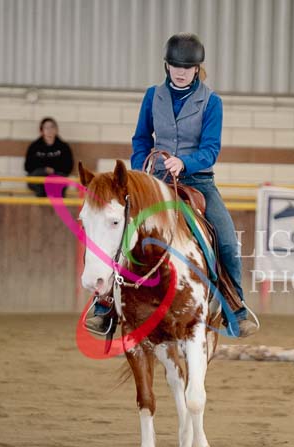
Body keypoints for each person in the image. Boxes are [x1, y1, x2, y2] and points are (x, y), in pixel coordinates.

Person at [124, 33, 256, 338]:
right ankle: (105, 303)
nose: (181, 72)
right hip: (156, 179)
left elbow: (211, 149)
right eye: (175, 66)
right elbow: (141, 139)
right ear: (167, 65)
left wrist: (185, 163)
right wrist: (142, 168)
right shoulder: (152, 96)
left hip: (198, 181)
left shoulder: (212, 102)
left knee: (227, 242)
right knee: (120, 228)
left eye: (187, 67)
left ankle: (235, 308)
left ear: (197, 68)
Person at [24, 117, 74, 197]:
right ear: (41, 131)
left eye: (52, 127)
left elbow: (68, 167)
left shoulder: (63, 147)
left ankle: (57, 202)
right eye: (46, 128)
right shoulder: (34, 147)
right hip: (39, 178)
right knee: (40, 185)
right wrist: (44, 169)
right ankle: (43, 201)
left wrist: (54, 170)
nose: (49, 130)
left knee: (58, 184)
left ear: (56, 130)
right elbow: (28, 166)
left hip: (57, 178)